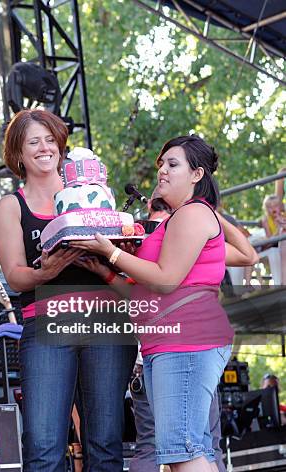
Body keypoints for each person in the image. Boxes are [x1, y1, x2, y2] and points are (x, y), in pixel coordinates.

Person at [72, 135, 239, 472]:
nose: (162, 170)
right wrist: (105, 271)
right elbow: (148, 294)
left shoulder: (192, 214)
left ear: (197, 175)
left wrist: (111, 252)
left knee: (183, 450)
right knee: (187, 449)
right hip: (169, 342)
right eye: (161, 164)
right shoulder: (180, 218)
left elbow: (165, 278)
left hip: (187, 340)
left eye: (172, 164)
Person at [0, 109, 137, 471]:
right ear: (18, 153)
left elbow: (125, 261)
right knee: (43, 445)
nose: (44, 148)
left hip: (106, 323)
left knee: (105, 443)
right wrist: (46, 273)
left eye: (49, 139)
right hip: (47, 325)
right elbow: (14, 275)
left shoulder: (92, 194)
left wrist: (114, 257)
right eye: (33, 142)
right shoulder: (12, 205)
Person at [260, 194, 285, 284]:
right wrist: (279, 228)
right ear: (266, 209)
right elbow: (269, 239)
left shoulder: (284, 215)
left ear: (281, 206)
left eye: (275, 206)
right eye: (270, 207)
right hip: (273, 244)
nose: (273, 209)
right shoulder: (266, 220)